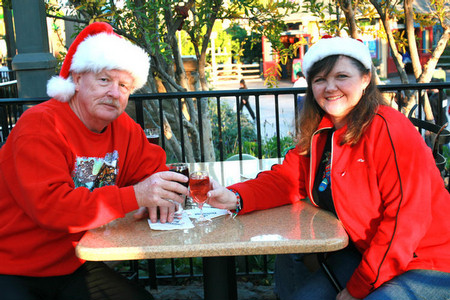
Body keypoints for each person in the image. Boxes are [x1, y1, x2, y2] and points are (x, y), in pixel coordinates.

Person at [207, 36, 450, 300]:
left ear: (366, 79)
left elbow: (405, 223)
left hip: (428, 259)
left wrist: (357, 289)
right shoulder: (323, 133)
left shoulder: (390, 128)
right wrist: (235, 196)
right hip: (368, 254)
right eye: (320, 79)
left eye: (341, 76)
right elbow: (287, 179)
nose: (330, 87)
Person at [0, 22, 189, 300]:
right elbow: (52, 208)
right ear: (76, 79)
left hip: (76, 264)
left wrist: (163, 198)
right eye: (104, 80)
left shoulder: (124, 128)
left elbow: (152, 174)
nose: (114, 93)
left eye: (123, 85)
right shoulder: (40, 125)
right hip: (14, 267)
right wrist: (135, 197)